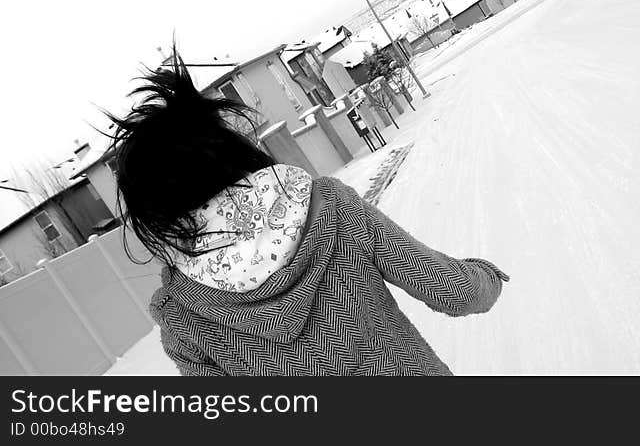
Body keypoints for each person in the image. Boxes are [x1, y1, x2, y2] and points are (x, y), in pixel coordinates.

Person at [108, 53, 509, 375]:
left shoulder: (184, 318)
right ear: (231, 151)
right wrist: (487, 275)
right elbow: (457, 292)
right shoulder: (332, 210)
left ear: (156, 214)